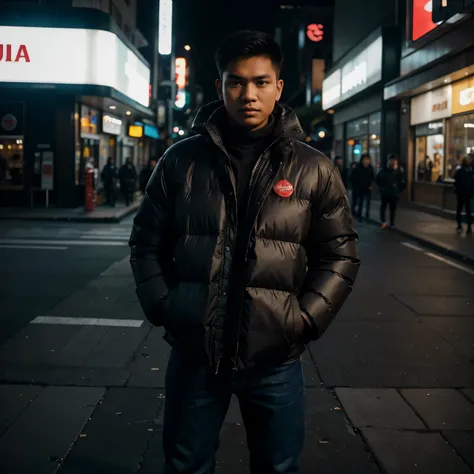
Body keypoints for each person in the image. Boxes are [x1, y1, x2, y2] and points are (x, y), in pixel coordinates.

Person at [129, 30, 360, 474]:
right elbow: (146, 242)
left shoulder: (314, 168)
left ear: (278, 86)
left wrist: (305, 318)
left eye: (260, 82)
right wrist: (164, 304)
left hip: (276, 360)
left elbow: (341, 254)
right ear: (220, 87)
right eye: (236, 82)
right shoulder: (180, 161)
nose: (248, 94)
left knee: (277, 468)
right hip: (195, 354)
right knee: (186, 466)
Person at [376, 153, 406, 229]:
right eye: (391, 160)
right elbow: (378, 179)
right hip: (385, 193)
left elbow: (402, 181)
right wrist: (382, 188)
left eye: (394, 161)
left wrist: (398, 190)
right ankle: (383, 221)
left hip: (394, 193)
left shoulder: (398, 171)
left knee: (393, 209)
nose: (392, 162)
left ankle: (392, 223)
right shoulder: (384, 170)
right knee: (383, 207)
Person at [454, 154, 473, 234]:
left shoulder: (466, 171)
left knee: (462, 210)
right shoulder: (468, 171)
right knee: (466, 210)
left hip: (464, 193)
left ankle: (463, 226)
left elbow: (456, 182)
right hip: (464, 193)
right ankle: (466, 226)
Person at [350, 153, 374, 219]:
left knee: (368, 202)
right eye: (365, 159)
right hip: (358, 188)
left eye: (367, 159)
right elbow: (352, 178)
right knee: (358, 201)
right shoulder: (357, 167)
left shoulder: (370, 168)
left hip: (367, 187)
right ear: (362, 160)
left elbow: (372, 177)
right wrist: (355, 186)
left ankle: (367, 214)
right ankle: (358, 214)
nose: (366, 161)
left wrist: (370, 185)